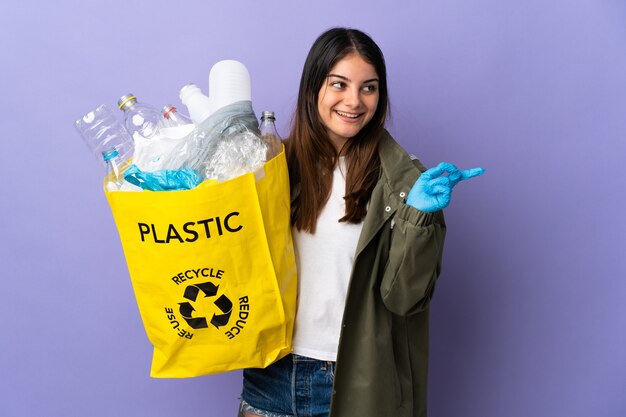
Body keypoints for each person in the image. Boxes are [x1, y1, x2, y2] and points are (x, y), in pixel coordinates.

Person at [239, 27, 484, 417]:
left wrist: (419, 217)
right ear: (312, 90)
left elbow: (405, 298)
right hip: (268, 375)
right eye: (339, 84)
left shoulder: (407, 184)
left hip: (356, 379)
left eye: (368, 88)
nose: (354, 101)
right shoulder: (271, 167)